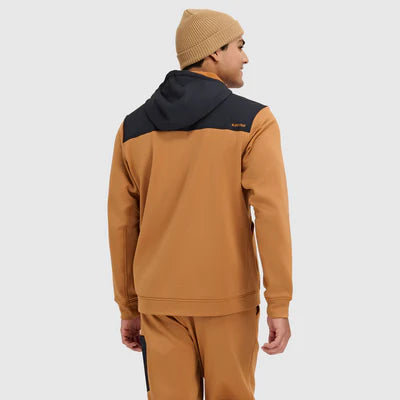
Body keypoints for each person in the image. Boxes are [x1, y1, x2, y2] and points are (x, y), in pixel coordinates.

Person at [107, 8, 293, 400]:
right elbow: (271, 215)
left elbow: (122, 225)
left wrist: (129, 306)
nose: (245, 56)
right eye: (239, 46)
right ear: (213, 52)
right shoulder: (254, 121)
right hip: (228, 300)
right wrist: (279, 303)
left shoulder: (133, 127)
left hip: (159, 302)